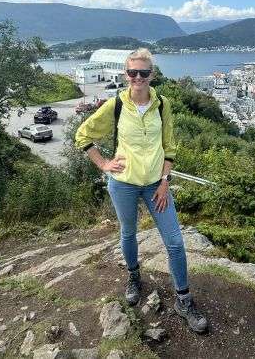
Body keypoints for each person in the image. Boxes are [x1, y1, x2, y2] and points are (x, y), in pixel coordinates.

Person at [75, 48, 209, 333]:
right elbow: (83, 135)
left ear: (152, 75)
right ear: (126, 75)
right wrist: (104, 164)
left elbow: (169, 146)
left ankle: (183, 300)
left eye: (143, 73)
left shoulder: (163, 105)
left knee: (174, 240)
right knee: (128, 232)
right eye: (132, 72)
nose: (137, 77)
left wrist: (164, 181)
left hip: (154, 185)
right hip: (123, 183)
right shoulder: (116, 105)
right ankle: (134, 276)